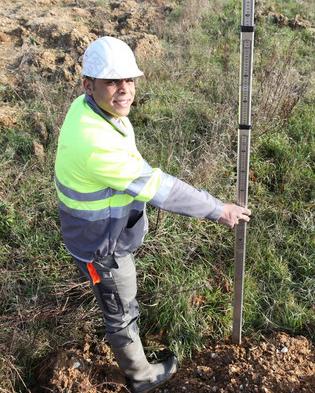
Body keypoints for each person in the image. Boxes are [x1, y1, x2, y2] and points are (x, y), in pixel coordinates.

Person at [54, 37, 251, 393]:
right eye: (113, 81)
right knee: (120, 308)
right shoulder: (96, 144)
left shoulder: (86, 108)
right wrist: (217, 209)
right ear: (88, 84)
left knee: (120, 300)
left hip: (101, 231)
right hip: (103, 248)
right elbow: (163, 190)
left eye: (129, 79)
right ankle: (141, 376)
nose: (125, 90)